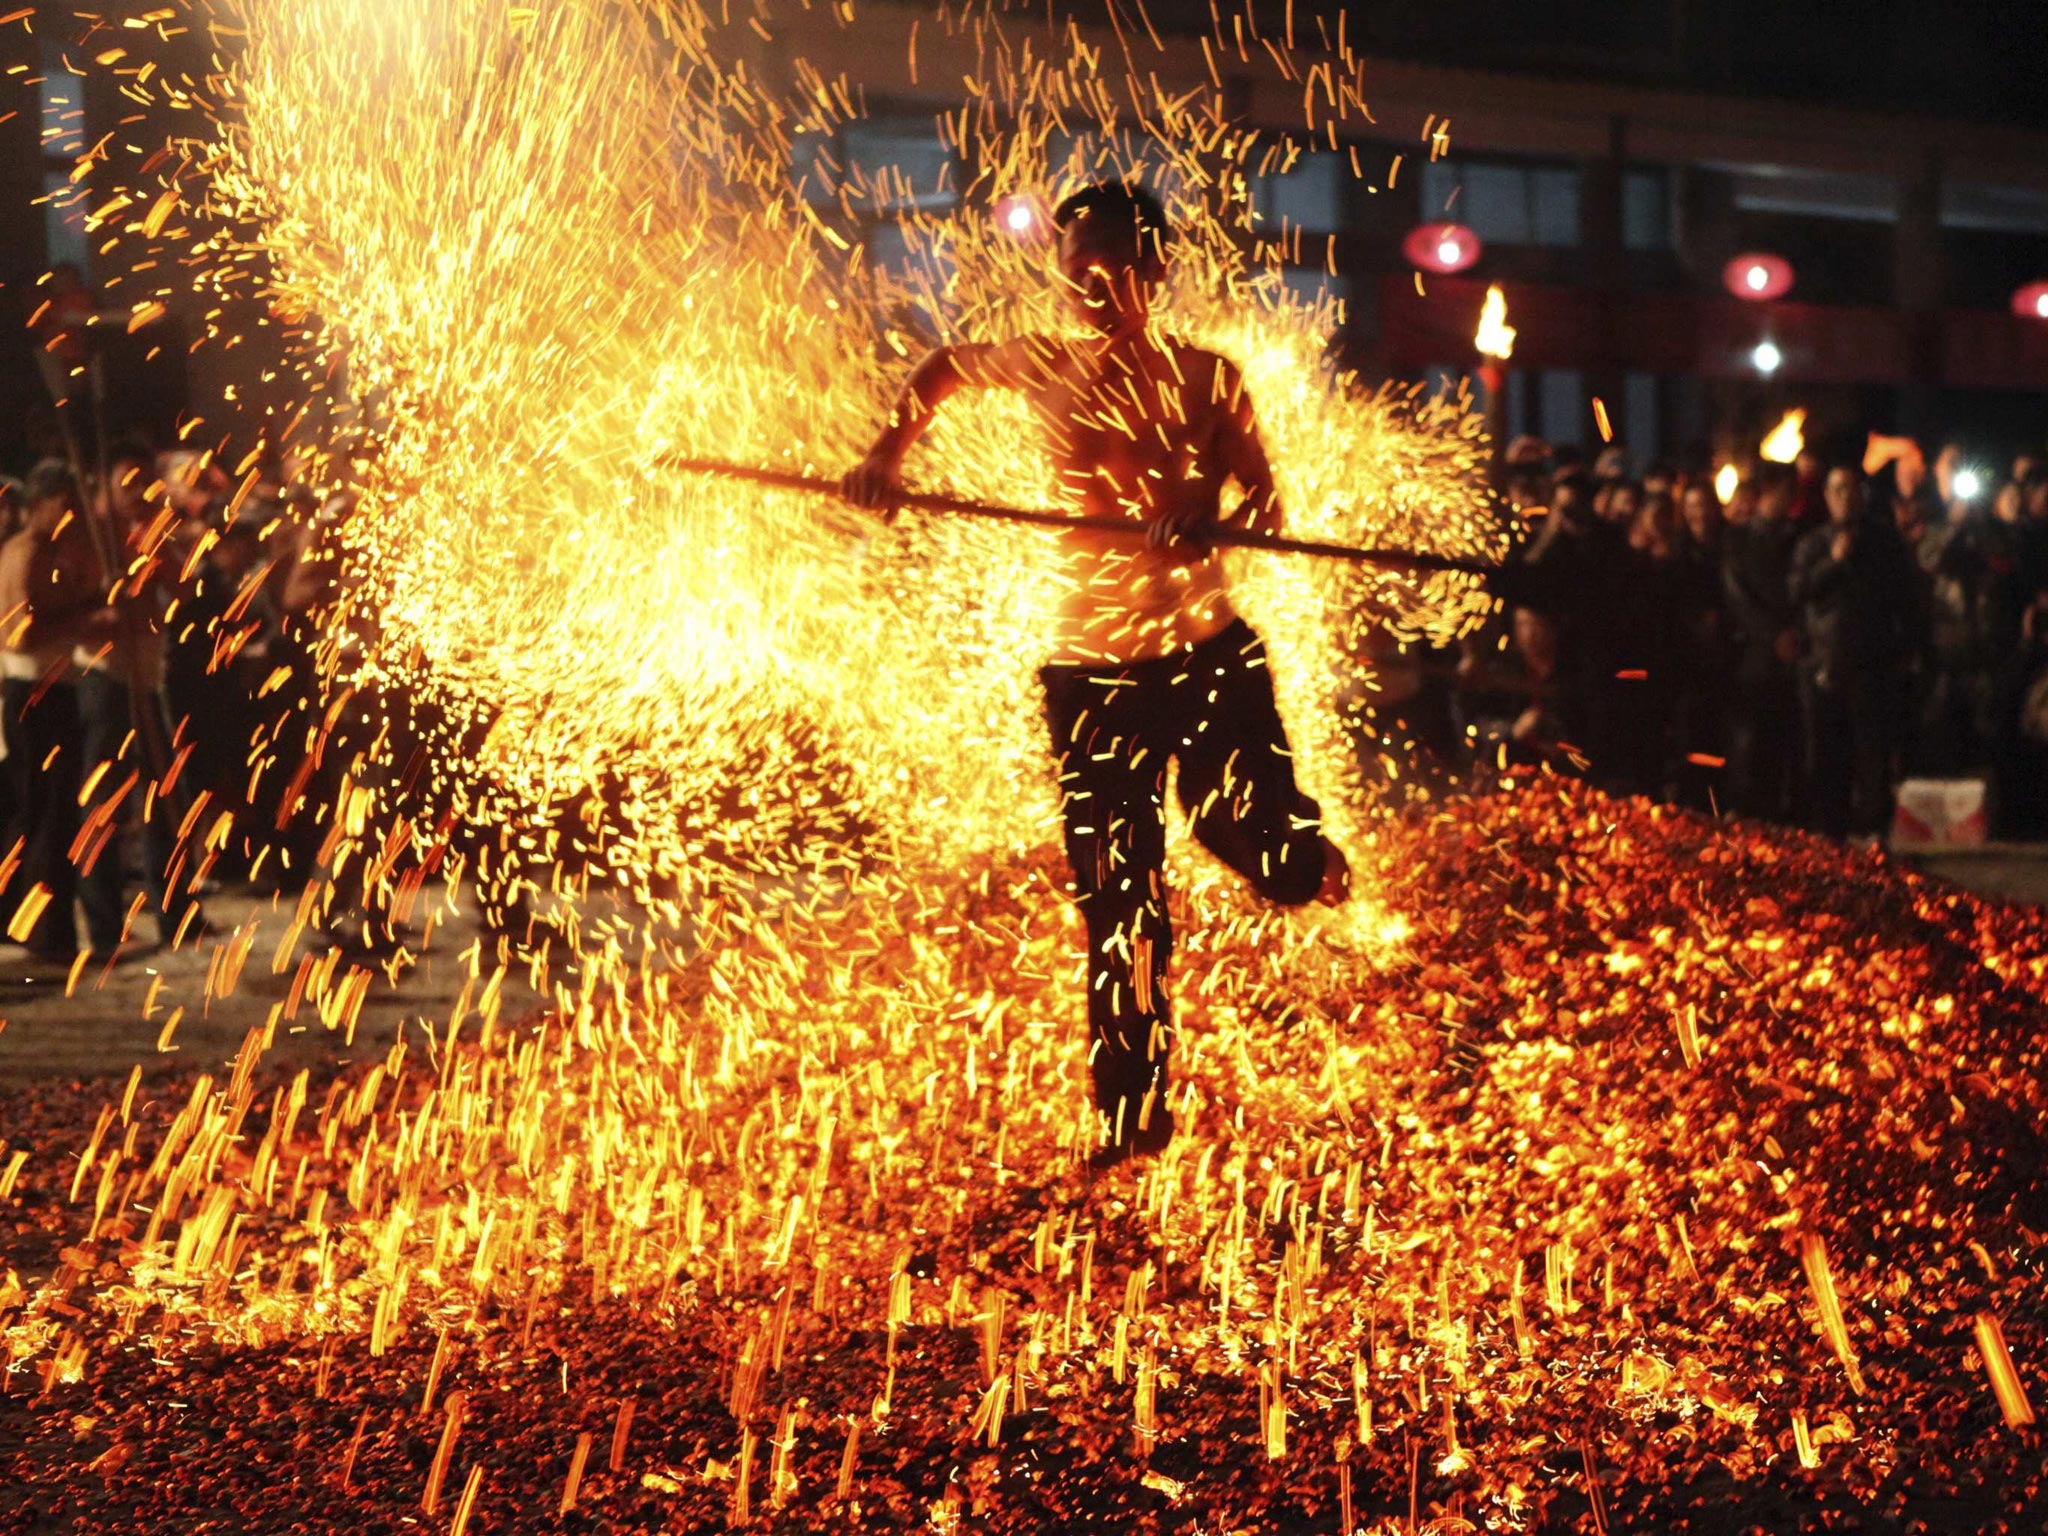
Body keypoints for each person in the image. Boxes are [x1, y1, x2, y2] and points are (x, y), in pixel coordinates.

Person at [842, 180, 1348, 1168]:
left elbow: (1268, 506)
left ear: (1155, 270)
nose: (1088, 286)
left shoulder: (1206, 378)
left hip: (1204, 655)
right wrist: (884, 459)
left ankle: (1302, 860)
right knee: (1119, 898)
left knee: (1242, 833)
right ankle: (1130, 1118)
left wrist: (1214, 522)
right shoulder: (1042, 363)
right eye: (1074, 270)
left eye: (1111, 269)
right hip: (1090, 676)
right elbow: (941, 370)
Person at [0, 461, 117, 965]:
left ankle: (48, 929)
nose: (70, 516)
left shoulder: (54, 552)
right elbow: (20, 630)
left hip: (56, 688)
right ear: (39, 506)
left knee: (56, 814)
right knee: (44, 815)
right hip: (32, 693)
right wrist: (85, 616)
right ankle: (45, 932)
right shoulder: (23, 554)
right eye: (63, 506)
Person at [1790, 463, 1921, 838]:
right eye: (1838, 490)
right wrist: (1833, 563)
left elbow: (1906, 597)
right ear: (1827, 497)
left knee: (1874, 755)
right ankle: (1833, 834)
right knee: (1830, 757)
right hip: (1826, 666)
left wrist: (1907, 647)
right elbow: (1798, 591)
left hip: (1873, 663)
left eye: (1851, 490)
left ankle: (1877, 833)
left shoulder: (1884, 542)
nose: (1845, 498)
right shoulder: (1813, 543)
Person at [1722, 465, 1803, 821]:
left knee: (1789, 737)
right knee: (1754, 737)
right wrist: (1773, 636)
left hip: (1795, 652)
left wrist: (1797, 632)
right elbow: (1739, 597)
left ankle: (1787, 811)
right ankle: (1749, 808)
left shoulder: (1799, 537)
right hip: (1756, 654)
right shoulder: (1739, 541)